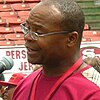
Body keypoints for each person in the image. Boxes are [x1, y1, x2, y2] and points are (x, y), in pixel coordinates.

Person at [12, 0, 100, 100]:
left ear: (71, 39)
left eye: (38, 32)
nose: (27, 37)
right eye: (27, 28)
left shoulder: (93, 91)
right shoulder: (24, 84)